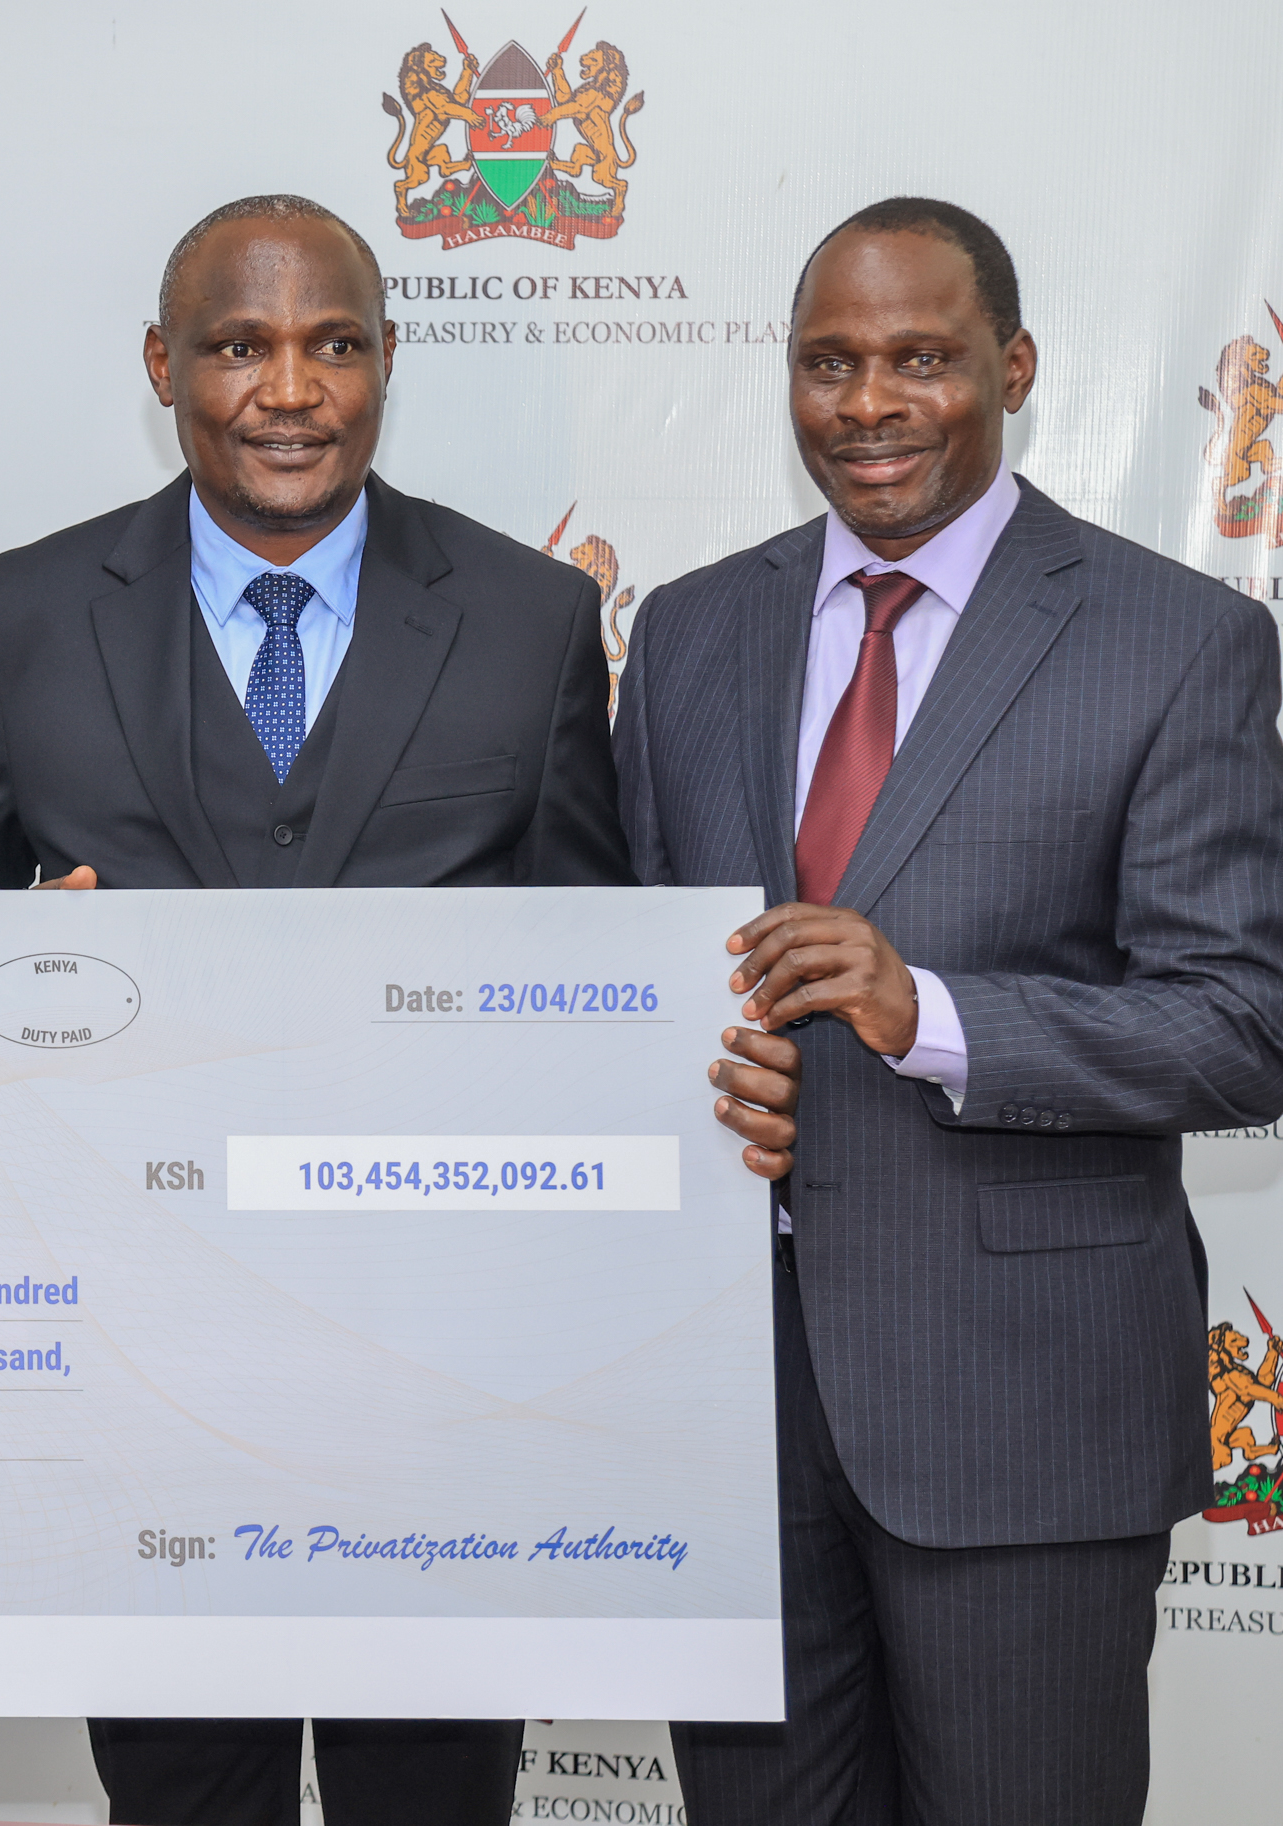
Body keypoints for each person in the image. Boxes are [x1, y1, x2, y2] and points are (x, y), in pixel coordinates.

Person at [0, 194, 799, 1826]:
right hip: (140, 1358)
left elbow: (590, 952)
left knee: (430, 1798)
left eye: (333, 344)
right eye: (237, 345)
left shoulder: (525, 618)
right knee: (180, 1796)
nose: (286, 388)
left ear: (385, 362)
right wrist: (15, 969)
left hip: (442, 1371)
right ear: (162, 364)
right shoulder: (20, 615)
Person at [614, 197, 1283, 1825]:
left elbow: (1241, 1019)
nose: (866, 403)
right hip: (730, 1421)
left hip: (1019, 1418)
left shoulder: (1178, 639)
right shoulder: (689, 631)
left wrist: (929, 1014)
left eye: (919, 359)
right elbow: (629, 972)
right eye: (827, 363)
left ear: (1015, 365)